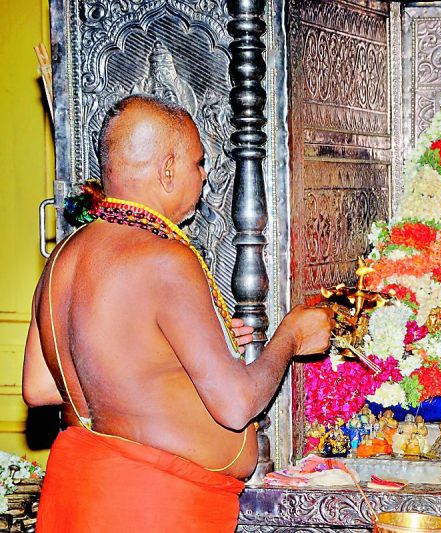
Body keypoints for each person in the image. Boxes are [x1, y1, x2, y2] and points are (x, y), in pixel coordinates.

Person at [22, 95, 335, 532]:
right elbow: (235, 404)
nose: (204, 177)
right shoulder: (164, 258)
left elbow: (40, 387)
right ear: (167, 168)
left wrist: (171, 356)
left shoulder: (63, 257)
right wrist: (292, 337)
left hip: (81, 494)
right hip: (152, 506)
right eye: (198, 163)